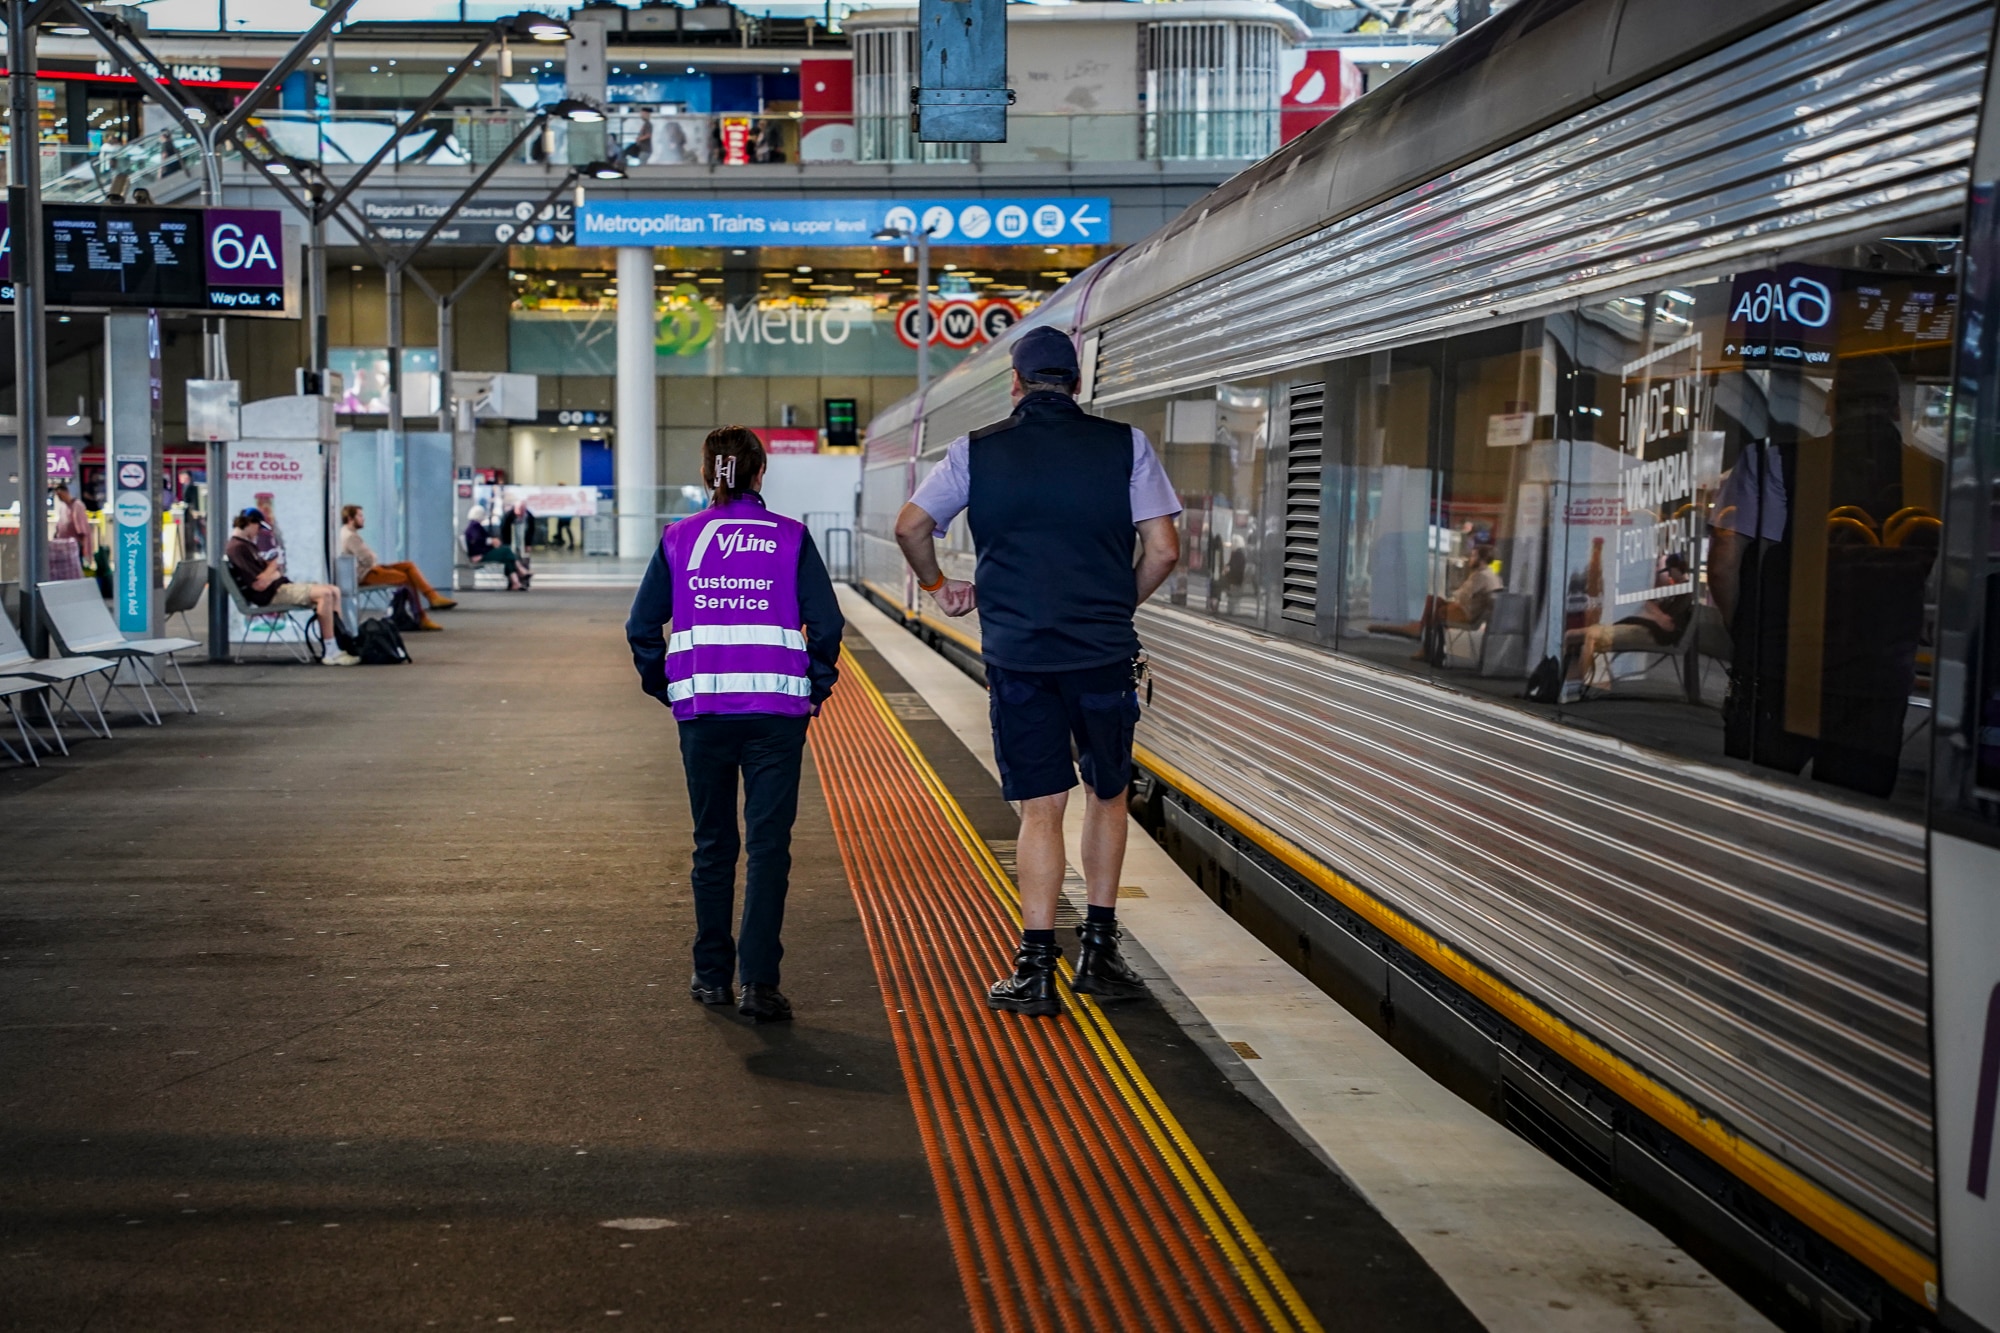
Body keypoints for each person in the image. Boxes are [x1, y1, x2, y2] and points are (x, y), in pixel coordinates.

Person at [894, 326, 1182, 1016]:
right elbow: (1165, 549)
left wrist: (941, 588)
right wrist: (1115, 602)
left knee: (1041, 807)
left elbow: (909, 527)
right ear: (1076, 384)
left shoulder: (974, 452)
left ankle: (1036, 968)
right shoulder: (1127, 446)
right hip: (1102, 655)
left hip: (1020, 656)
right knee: (1107, 795)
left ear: (1016, 384)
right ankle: (1101, 955)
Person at [626, 426, 844, 1023]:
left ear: (707, 475)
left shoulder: (680, 539)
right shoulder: (791, 538)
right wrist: (813, 687)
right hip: (776, 715)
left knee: (713, 844)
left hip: (704, 716)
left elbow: (641, 627)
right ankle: (760, 984)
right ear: (759, 474)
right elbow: (826, 625)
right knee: (769, 846)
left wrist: (668, 687)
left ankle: (711, 976)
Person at [224, 511, 359, 666]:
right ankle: (330, 650)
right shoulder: (238, 548)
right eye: (257, 527)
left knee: (334, 590)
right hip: (271, 593)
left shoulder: (245, 545)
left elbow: (268, 575)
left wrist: (272, 571)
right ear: (249, 523)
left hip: (276, 588)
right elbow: (259, 584)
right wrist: (273, 567)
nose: (259, 531)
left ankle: (339, 644)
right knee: (326, 594)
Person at [1560, 551, 1694, 701]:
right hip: (1641, 625)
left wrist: (1653, 610)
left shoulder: (1685, 593)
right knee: (1571, 635)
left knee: (1592, 635)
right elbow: (1656, 613)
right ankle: (1558, 680)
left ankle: (1576, 688)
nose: (1669, 575)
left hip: (1650, 633)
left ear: (1676, 569)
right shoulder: (1674, 590)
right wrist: (1652, 609)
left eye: (1669, 571)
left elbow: (1667, 624)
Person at [1368, 544, 1502, 660]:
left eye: (1474, 556)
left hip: (1465, 614)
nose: (1470, 559)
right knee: (1433, 601)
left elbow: (1462, 595)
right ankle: (1423, 633)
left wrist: (1454, 595)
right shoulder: (1490, 575)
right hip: (1468, 611)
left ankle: (1424, 640)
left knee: (1435, 609)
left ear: (1482, 559)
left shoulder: (1481, 576)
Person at [339, 504, 456, 630]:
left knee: (408, 566)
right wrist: (373, 557)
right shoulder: (351, 537)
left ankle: (432, 596)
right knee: (405, 578)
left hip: (367, 569)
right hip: (364, 574)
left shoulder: (348, 533)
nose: (363, 518)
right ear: (350, 518)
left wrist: (373, 558)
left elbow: (368, 558)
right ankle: (421, 617)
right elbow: (368, 559)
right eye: (360, 515)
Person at [464, 505, 529, 590]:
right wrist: (491, 541)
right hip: (480, 555)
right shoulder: (474, 526)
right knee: (506, 550)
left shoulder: (473, 526)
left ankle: (516, 582)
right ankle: (520, 569)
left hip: (481, 554)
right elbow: (477, 540)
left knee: (507, 559)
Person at [48, 482, 94, 582]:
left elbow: (82, 529)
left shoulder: (77, 505)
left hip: (76, 544)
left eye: (60, 494)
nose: (59, 497)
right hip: (63, 545)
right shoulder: (63, 506)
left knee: (77, 569)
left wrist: (85, 547)